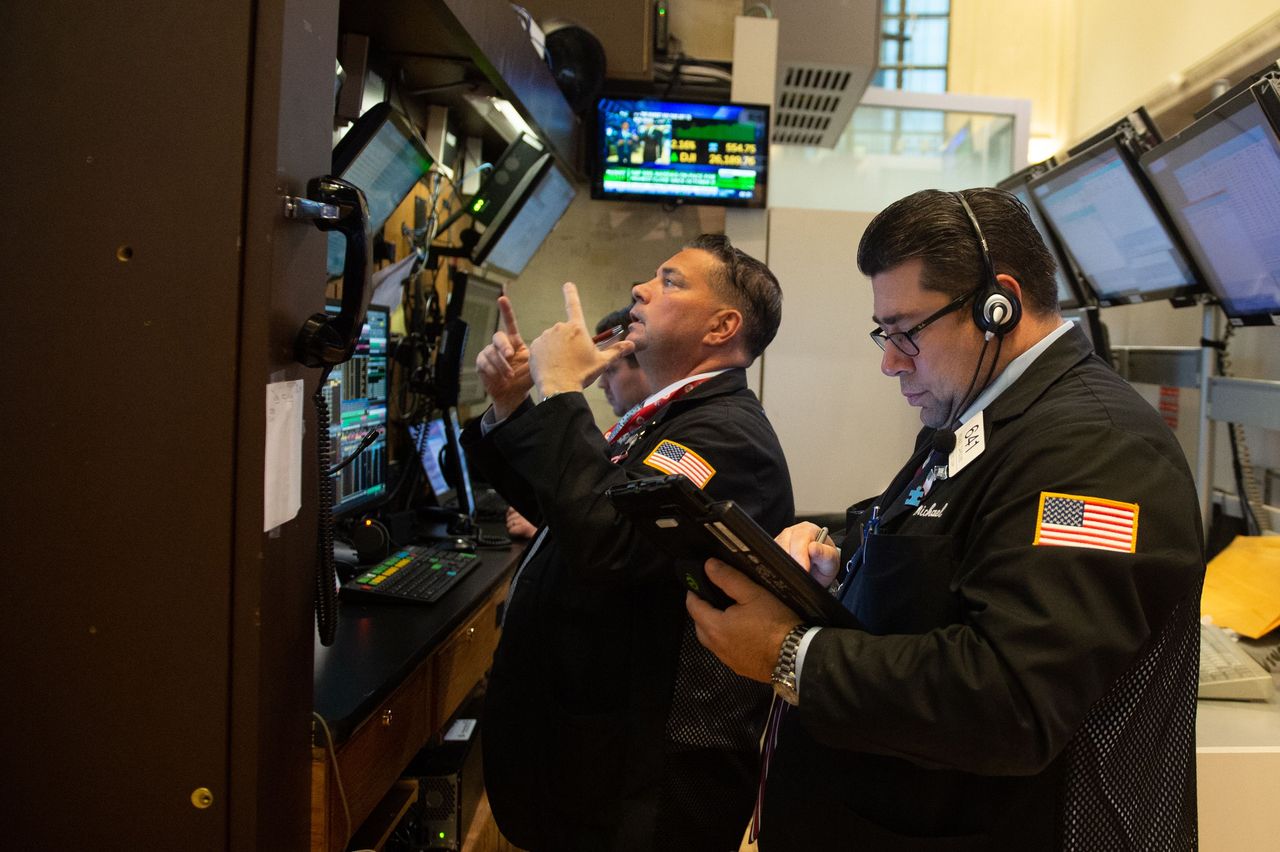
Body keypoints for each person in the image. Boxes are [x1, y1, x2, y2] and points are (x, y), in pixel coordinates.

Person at [687, 189, 1205, 850]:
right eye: (885, 334)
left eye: (907, 332)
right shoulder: (980, 419)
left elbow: (1011, 699)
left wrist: (789, 655)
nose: (890, 360)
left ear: (1000, 305)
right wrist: (837, 552)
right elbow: (939, 540)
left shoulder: (1099, 454)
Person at [463, 234, 794, 851]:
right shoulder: (664, 420)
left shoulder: (725, 437)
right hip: (591, 759)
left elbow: (606, 546)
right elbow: (567, 512)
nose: (642, 289)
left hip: (639, 784)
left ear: (723, 325)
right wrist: (513, 407)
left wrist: (561, 392)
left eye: (671, 282)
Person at [504, 306, 652, 540]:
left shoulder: (664, 435)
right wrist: (507, 401)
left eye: (610, 370)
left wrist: (558, 388)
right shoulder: (631, 429)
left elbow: (611, 536)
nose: (601, 384)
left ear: (645, 363)